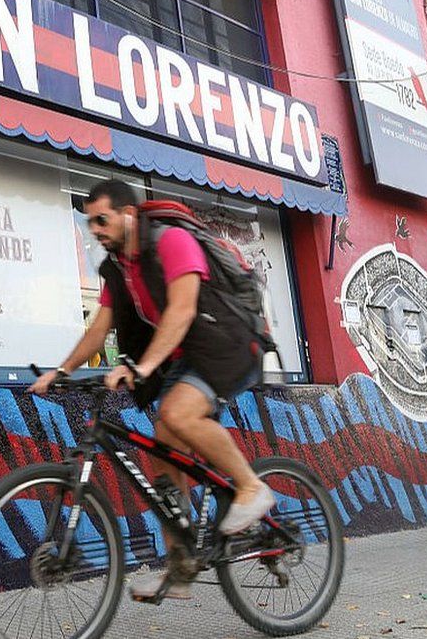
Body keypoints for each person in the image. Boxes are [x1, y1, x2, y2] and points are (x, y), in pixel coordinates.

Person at [29, 179, 273, 600]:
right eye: (89, 222)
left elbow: (182, 310)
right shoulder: (119, 269)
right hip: (187, 358)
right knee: (163, 448)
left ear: (127, 215)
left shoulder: (171, 241)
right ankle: (180, 566)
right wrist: (60, 370)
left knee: (178, 413)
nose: (95, 230)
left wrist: (141, 367)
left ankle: (252, 487)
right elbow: (99, 327)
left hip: (229, 343)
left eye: (101, 220)